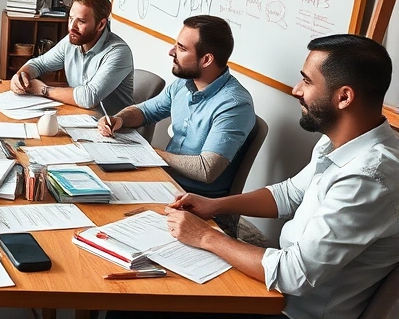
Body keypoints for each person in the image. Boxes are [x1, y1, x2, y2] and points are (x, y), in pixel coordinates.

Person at [161, 35, 399, 319]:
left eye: (307, 81)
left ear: (344, 97)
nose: (296, 90)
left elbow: (293, 273)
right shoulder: (338, 141)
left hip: (288, 311)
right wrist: (216, 205)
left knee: (157, 304)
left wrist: (204, 236)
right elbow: (288, 194)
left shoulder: (369, 177)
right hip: (271, 292)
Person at [98, 15, 254, 198]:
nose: (171, 52)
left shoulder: (234, 105)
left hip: (194, 199)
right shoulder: (184, 84)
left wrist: (152, 153)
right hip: (164, 180)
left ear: (206, 60)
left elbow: (206, 169)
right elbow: (145, 112)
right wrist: (119, 119)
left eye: (181, 48)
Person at [10, 0, 134, 114]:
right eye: (71, 18)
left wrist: (42, 90)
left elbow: (89, 98)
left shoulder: (119, 52)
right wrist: (21, 76)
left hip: (113, 129)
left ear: (101, 25)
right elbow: (40, 64)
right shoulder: (73, 39)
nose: (72, 27)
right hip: (79, 118)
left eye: (81, 21)